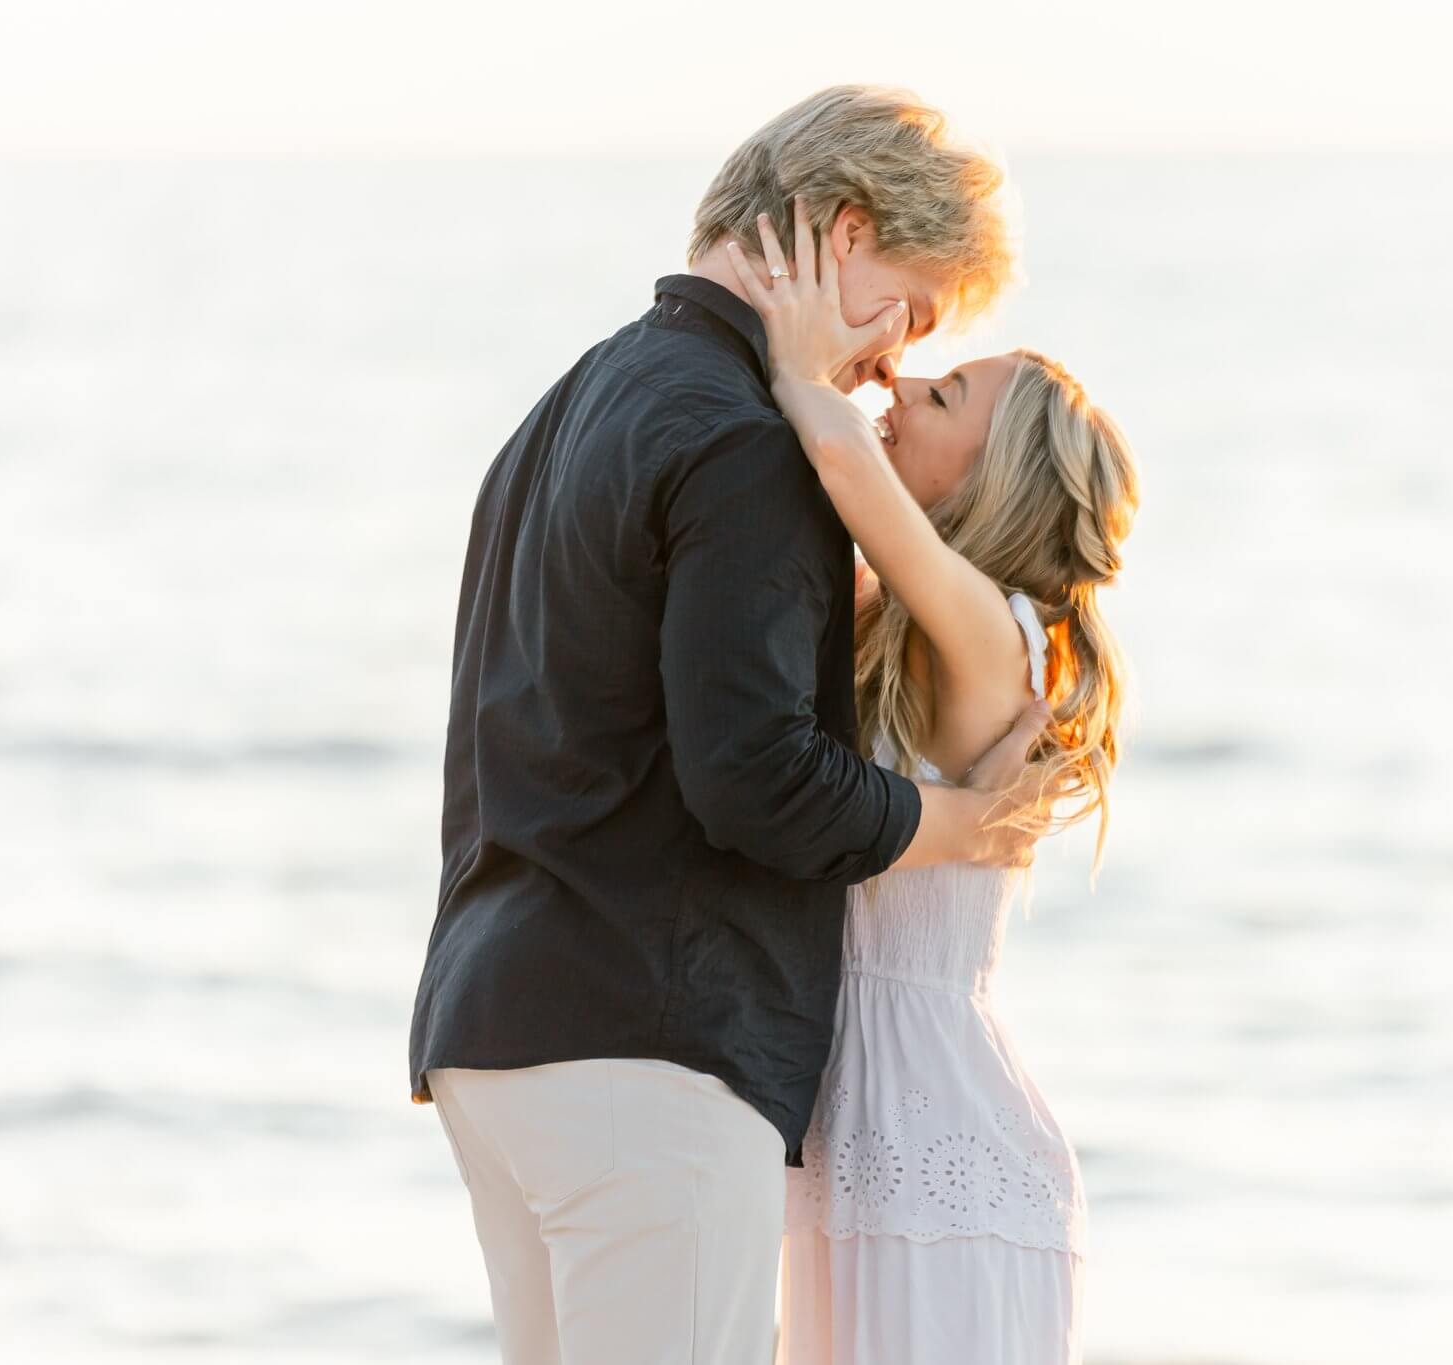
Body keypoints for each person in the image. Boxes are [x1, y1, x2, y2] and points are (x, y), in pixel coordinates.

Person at [407, 86, 1048, 1364]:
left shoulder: (571, 402)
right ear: (842, 233)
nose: (883, 362)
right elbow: (758, 781)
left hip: (491, 1029)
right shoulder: (749, 442)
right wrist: (964, 822)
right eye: (906, 313)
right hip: (647, 1054)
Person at [721, 205, 1140, 1365]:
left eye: (945, 395)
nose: (898, 385)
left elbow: (843, 455)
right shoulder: (887, 627)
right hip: (853, 1131)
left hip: (945, 1143)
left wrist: (804, 361)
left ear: (994, 484)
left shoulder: (996, 641)